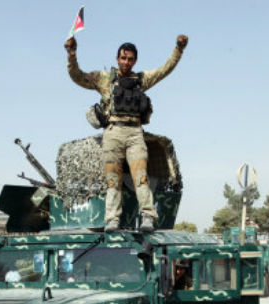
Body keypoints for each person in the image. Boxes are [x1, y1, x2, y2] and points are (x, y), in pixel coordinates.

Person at [64, 34, 188, 232]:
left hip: (134, 133)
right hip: (113, 132)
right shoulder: (104, 79)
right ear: (117, 59)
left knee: (141, 177)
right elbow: (77, 76)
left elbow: (165, 70)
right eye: (123, 58)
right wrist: (71, 53)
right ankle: (112, 219)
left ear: (135, 60)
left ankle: (148, 216)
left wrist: (178, 49)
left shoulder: (140, 80)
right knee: (113, 180)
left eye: (130, 59)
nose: (126, 62)